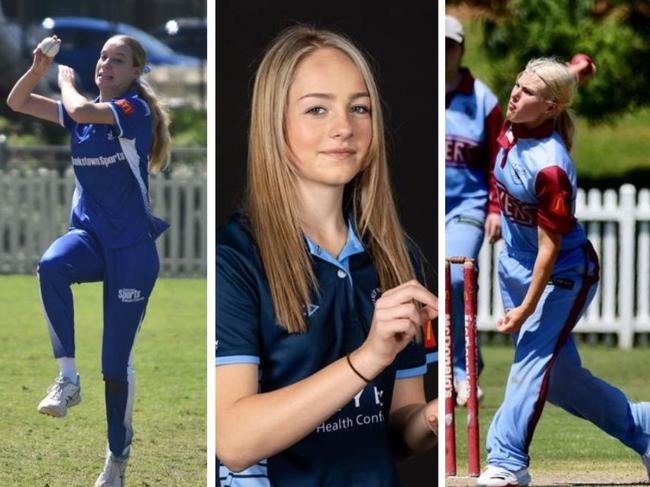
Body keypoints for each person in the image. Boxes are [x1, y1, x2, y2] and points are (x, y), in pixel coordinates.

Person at [216, 25, 438, 486]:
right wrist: (367, 358)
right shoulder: (233, 260)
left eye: (360, 108)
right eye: (317, 109)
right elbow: (233, 442)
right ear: (274, 121)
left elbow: (394, 432)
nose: (344, 127)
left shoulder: (398, 256)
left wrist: (437, 417)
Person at [477, 57, 650, 487]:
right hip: (515, 266)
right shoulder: (517, 118)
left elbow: (548, 252)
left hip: (562, 274)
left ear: (551, 108)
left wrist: (525, 309)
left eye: (527, 92)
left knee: (531, 360)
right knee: (561, 383)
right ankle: (644, 427)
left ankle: (507, 460)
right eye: (516, 85)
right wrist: (578, 68)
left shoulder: (551, 167)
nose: (515, 94)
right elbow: (556, 82)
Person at [7, 34, 170, 486]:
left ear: (137, 72)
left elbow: (79, 110)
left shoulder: (133, 110)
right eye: (102, 57)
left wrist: (65, 82)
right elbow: (17, 101)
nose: (106, 65)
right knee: (50, 265)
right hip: (91, 239)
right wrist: (39, 69)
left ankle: (116, 460)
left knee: (115, 368)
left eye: (118, 61)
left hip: (132, 251)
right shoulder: (81, 112)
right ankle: (67, 380)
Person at [445, 14, 503, 405]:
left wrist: (496, 207)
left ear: (461, 49)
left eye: (449, 45)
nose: (442, 52)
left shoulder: (482, 98)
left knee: (454, 276)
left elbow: (499, 158)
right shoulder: (413, 86)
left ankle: (464, 372)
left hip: (467, 204)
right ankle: (446, 365)